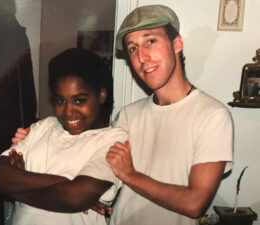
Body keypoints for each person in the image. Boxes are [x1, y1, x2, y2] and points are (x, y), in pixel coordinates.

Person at [12, 5, 234, 225]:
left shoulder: (212, 115)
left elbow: (195, 203)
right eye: (132, 48)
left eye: (151, 41)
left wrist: (130, 175)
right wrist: (32, 143)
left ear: (177, 44)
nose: (142, 57)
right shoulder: (129, 115)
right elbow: (87, 164)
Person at [0, 48, 128, 225]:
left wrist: (16, 186)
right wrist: (63, 182)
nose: (69, 112)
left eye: (79, 100)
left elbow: (74, 198)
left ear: (101, 95)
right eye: (60, 100)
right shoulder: (43, 127)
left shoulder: (113, 140)